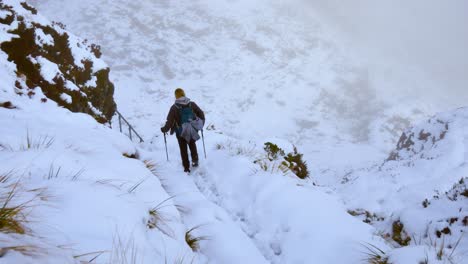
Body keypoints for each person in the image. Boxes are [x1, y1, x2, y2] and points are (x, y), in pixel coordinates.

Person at [161, 88, 205, 173]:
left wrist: (164, 129)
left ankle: (186, 168)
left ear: (176, 96)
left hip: (180, 132)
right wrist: (201, 123)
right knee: (192, 145)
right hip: (191, 129)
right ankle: (195, 161)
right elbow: (201, 113)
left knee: (183, 149)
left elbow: (169, 122)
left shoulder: (174, 107)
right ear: (184, 94)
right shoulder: (192, 104)